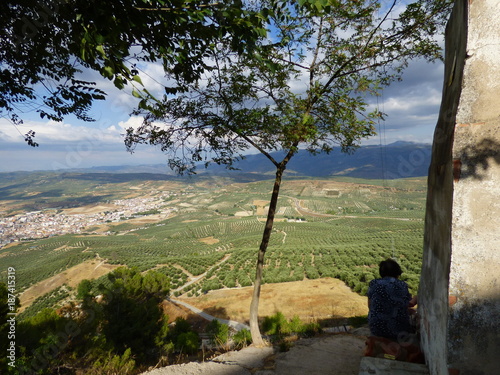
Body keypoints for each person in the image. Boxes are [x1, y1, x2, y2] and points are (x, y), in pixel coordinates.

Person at [367, 258, 416, 340]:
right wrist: (416, 298)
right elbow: (408, 304)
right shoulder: (402, 285)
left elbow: (370, 305)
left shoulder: (374, 283)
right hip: (400, 331)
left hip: (377, 329)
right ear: (397, 272)